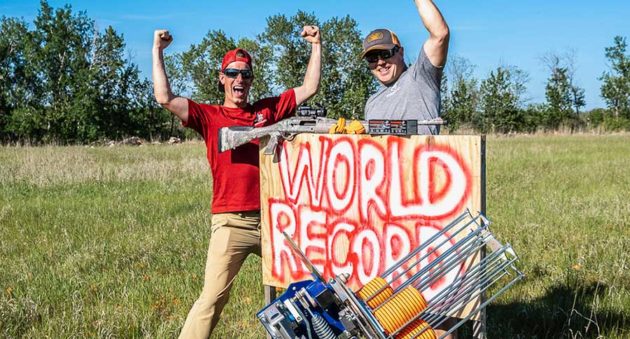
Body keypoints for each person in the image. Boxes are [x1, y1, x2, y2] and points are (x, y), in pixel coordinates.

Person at [152, 25, 321, 338]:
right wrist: (157, 51)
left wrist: (316, 45)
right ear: (222, 78)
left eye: (245, 74)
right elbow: (164, 97)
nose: (239, 80)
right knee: (213, 298)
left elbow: (309, 86)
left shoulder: (267, 110)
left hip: (275, 222)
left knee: (309, 289)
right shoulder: (208, 115)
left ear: (252, 80)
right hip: (231, 223)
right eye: (232, 73)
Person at [361, 0, 449, 135]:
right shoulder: (371, 103)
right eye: (372, 58)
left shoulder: (421, 77)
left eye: (385, 54)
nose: (380, 62)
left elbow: (440, 35)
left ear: (400, 52)